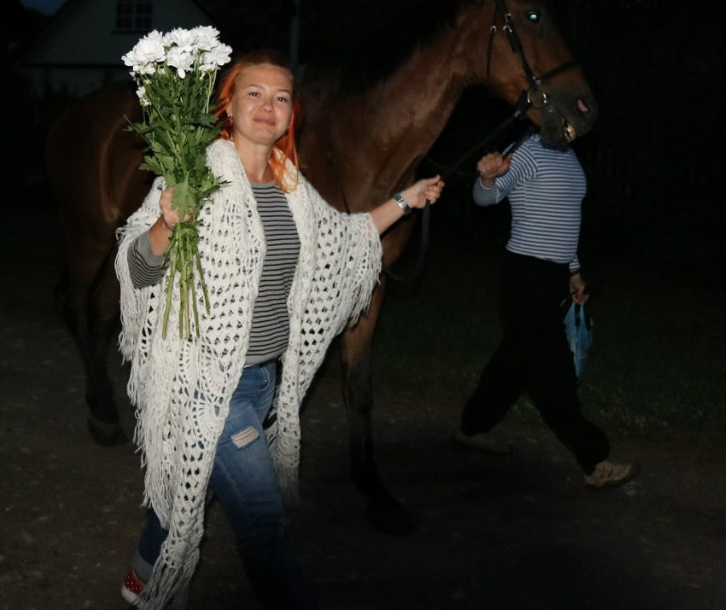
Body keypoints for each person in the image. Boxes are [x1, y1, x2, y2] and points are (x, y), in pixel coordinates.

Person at [114, 49, 444, 609]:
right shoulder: (192, 173)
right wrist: (167, 225)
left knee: (191, 490)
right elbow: (139, 269)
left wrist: (402, 201)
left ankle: (142, 575)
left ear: (293, 115)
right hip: (207, 383)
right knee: (265, 523)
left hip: (263, 381)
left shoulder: (290, 184)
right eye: (255, 94)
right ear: (230, 104)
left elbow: (343, 236)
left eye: (282, 97)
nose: (269, 106)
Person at [454, 131, 636, 491]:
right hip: (525, 275)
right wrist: (488, 177)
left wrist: (573, 270)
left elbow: (566, 218)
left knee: (514, 362)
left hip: (551, 276)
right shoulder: (525, 151)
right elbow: (485, 198)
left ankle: (471, 427)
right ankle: (594, 459)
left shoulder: (566, 154)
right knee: (552, 371)